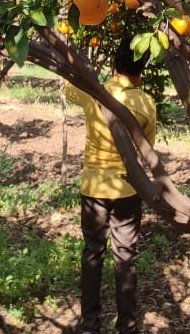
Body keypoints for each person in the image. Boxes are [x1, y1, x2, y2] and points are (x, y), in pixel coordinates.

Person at [63, 37, 158, 334]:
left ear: (115, 63)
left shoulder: (96, 92)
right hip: (127, 190)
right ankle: (127, 325)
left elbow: (68, 88)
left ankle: (90, 323)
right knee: (125, 256)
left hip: (93, 188)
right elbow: (146, 147)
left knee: (92, 253)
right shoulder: (146, 103)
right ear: (143, 67)